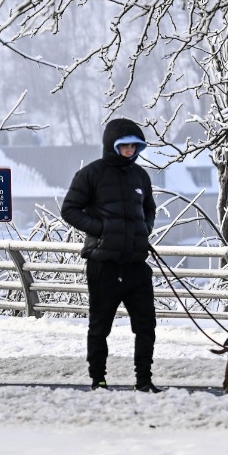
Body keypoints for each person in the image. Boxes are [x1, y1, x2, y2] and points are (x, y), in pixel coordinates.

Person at [61, 117, 161, 392]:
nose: (130, 151)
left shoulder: (140, 176)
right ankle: (99, 380)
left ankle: (143, 380)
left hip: (136, 265)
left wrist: (145, 228)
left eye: (134, 146)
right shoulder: (91, 174)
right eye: (125, 146)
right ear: (112, 146)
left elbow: (149, 208)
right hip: (103, 264)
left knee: (146, 326)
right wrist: (102, 229)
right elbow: (69, 210)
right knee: (100, 327)